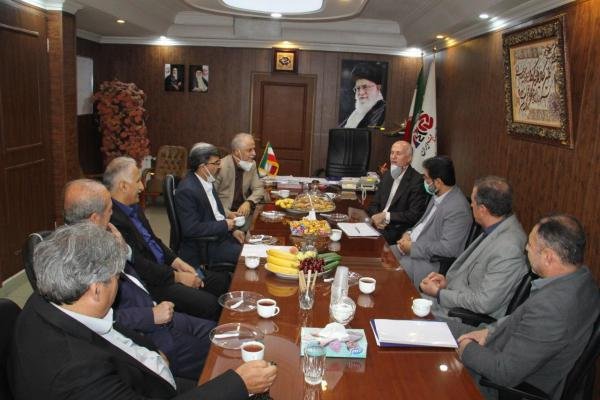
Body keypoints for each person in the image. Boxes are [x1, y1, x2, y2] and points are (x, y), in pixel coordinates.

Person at [8, 223, 277, 399]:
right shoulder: (77, 373)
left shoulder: (48, 299)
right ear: (96, 290)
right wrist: (239, 384)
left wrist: (150, 350)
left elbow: (110, 329)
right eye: (116, 276)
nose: (119, 281)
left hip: (149, 372)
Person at [63, 178, 215, 380]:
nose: (113, 214)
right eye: (110, 210)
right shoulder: (75, 262)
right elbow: (96, 320)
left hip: (159, 311)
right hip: (146, 333)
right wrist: (150, 315)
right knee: (217, 355)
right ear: (94, 218)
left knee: (217, 332)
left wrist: (123, 249)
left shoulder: (104, 237)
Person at [454, 214, 599, 400]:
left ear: (548, 257)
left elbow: (503, 373)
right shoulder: (582, 280)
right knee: (436, 327)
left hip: (499, 385)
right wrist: (489, 332)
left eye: (530, 244)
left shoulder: (552, 308)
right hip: (501, 343)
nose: (526, 249)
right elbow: (529, 326)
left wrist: (465, 347)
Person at [104, 157, 229, 321]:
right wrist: (178, 277)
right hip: (154, 282)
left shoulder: (133, 207)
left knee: (223, 281)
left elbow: (154, 241)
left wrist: (178, 263)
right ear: (123, 186)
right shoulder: (111, 221)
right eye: (138, 181)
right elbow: (139, 265)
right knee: (210, 305)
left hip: (167, 268)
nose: (142, 187)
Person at [419, 176, 527, 321]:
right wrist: (446, 283)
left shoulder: (508, 248)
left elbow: (484, 303)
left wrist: (440, 294)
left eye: (473, 201)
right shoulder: (496, 227)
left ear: (482, 210)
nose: (471, 205)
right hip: (454, 300)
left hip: (464, 318)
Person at [393, 156, 472, 286]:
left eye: (426, 178)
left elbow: (449, 248)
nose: (423, 181)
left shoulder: (458, 209)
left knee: (395, 272)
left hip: (430, 262)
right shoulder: (438, 194)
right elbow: (422, 224)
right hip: (413, 246)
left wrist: (413, 248)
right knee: (383, 254)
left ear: (438, 182)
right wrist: (408, 234)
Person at [176, 143, 245, 267]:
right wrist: (225, 225)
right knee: (251, 256)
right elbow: (191, 229)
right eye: (216, 163)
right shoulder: (187, 190)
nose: (219, 166)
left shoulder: (206, 180)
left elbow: (216, 215)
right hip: (207, 246)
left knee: (254, 246)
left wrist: (232, 231)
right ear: (203, 166)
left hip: (220, 237)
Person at [366, 140, 427, 244]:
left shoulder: (417, 180)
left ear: (409, 158)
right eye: (392, 153)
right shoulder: (387, 175)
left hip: (396, 230)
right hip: (377, 224)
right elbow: (374, 204)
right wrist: (376, 217)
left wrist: (386, 216)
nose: (393, 157)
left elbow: (413, 215)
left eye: (398, 153)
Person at [214, 133, 265, 228]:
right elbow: (210, 198)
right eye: (249, 150)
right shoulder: (220, 167)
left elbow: (259, 189)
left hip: (244, 214)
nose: (254, 153)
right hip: (223, 215)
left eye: (253, 149)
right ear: (237, 152)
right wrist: (228, 214)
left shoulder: (252, 164)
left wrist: (249, 202)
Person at [338, 63, 386, 129]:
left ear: (378, 88)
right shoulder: (356, 112)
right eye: (358, 88)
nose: (361, 93)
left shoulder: (383, 111)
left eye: (365, 87)